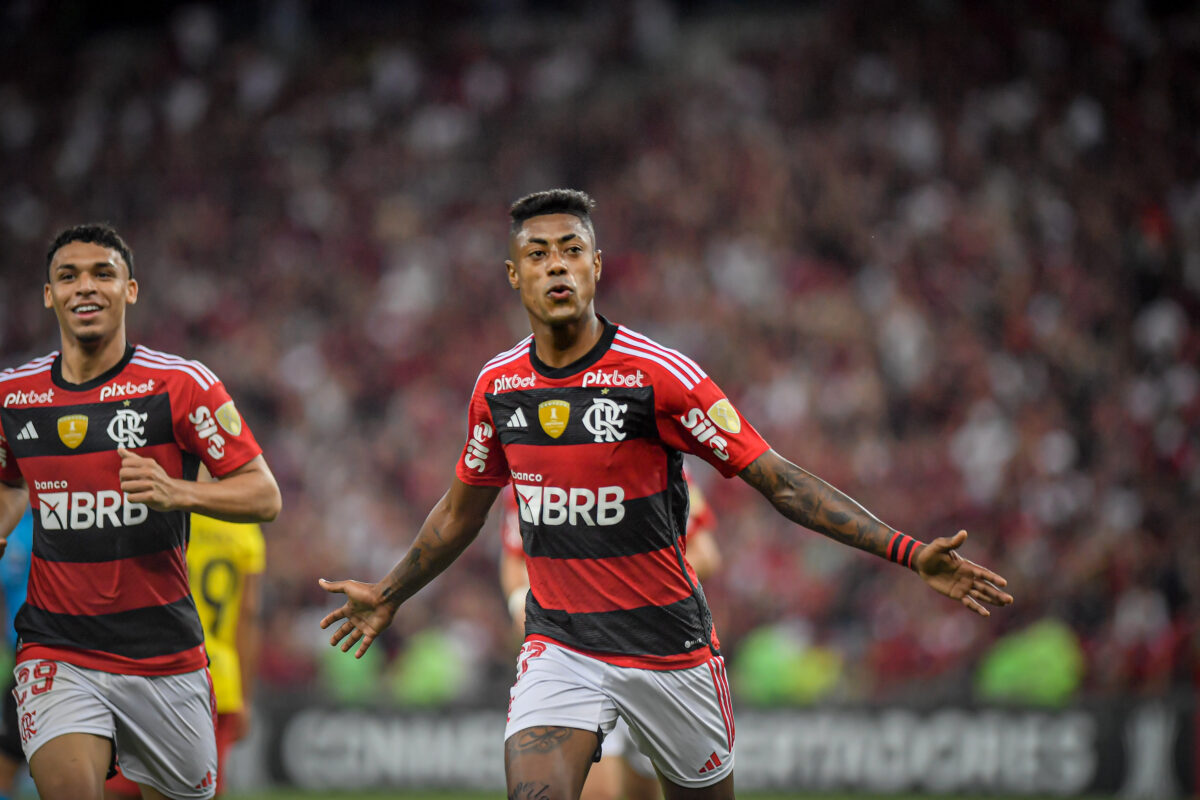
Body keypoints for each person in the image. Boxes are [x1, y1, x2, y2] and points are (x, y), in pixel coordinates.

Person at [319, 189, 1013, 800]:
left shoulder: (660, 377)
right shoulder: (498, 389)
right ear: (514, 275)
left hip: (671, 651)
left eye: (571, 250)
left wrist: (907, 551)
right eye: (538, 255)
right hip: (561, 644)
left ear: (597, 265)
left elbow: (779, 480)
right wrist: (390, 592)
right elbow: (457, 515)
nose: (556, 265)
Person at [0, 224, 281, 800]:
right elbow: (9, 485)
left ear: (130, 290)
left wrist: (180, 492)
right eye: (68, 276)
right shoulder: (12, 396)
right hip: (57, 646)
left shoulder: (180, 385)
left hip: (163, 655)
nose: (86, 287)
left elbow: (264, 495)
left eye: (103, 273)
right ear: (47, 295)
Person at [498, 469, 720, 800]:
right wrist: (521, 604)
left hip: (655, 652)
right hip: (578, 652)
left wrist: (617, 588)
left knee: (643, 792)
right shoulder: (533, 462)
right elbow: (515, 559)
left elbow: (705, 555)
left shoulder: (654, 460)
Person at [106, 499, 265, 800]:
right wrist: (245, 697)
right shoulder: (244, 525)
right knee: (201, 794)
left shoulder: (161, 510)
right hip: (218, 679)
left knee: (120, 790)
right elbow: (248, 617)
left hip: (149, 668)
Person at [0, 508, 33, 800]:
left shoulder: (59, 514)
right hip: (20, 652)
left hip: (71, 647)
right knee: (8, 751)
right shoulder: (10, 521)